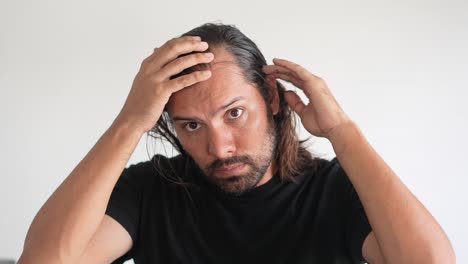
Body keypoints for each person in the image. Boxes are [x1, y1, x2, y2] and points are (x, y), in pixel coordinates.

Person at [18, 23, 455, 264]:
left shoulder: (337, 190)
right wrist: (130, 121)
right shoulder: (150, 190)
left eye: (234, 113)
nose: (220, 147)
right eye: (191, 126)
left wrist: (341, 130)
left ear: (270, 99)